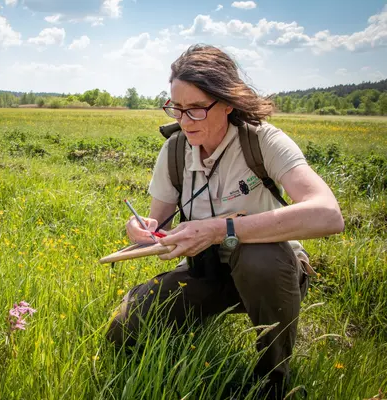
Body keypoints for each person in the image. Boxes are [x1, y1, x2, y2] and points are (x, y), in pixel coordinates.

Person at [105, 44, 344, 398]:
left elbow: (328, 214)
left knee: (257, 258)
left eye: (197, 109)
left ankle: (272, 382)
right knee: (122, 329)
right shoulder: (174, 150)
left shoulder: (262, 139)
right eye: (177, 108)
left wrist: (221, 229)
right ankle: (193, 329)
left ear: (228, 102)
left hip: (273, 272)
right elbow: (159, 218)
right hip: (206, 270)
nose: (185, 121)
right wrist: (144, 229)